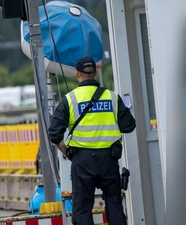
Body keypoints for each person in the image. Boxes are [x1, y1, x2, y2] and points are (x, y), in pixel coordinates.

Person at [48, 56, 136, 225]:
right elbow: (129, 126)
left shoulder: (69, 99)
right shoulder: (112, 97)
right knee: (114, 204)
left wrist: (67, 152)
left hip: (82, 161)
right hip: (109, 160)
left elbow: (54, 134)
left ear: (77, 75)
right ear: (95, 73)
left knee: (82, 210)